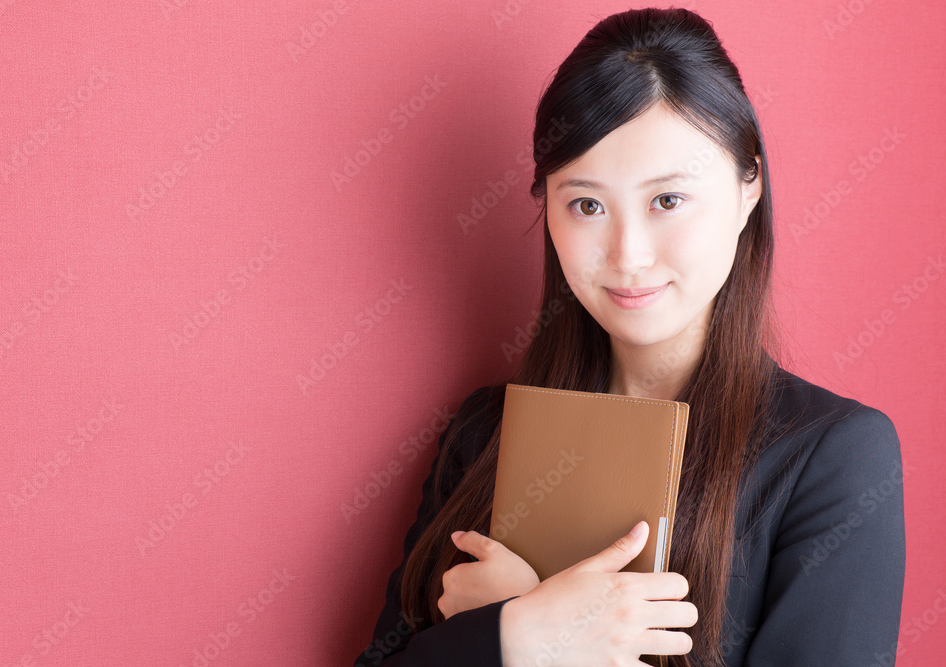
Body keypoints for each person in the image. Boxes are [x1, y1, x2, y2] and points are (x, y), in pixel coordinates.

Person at [354, 7, 906, 666]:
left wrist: (546, 640)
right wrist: (512, 636)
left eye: (667, 200)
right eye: (587, 204)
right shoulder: (482, 434)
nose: (628, 254)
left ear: (748, 184)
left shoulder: (832, 458)